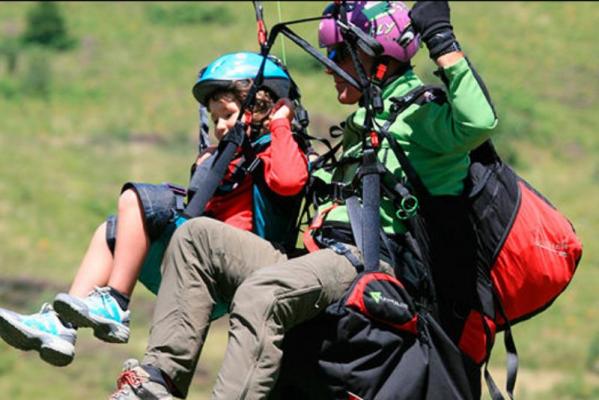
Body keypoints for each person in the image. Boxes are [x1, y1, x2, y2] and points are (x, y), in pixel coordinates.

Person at [109, 1, 497, 399]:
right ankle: (161, 379)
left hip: (369, 261)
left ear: (379, 53)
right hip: (322, 256)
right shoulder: (366, 122)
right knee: (196, 238)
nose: (329, 65)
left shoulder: (421, 116)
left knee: (263, 293)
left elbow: (478, 121)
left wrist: (441, 39)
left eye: (340, 52)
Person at [0, 51, 308, 368]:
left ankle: (116, 305)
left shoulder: (273, 145)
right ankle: (61, 328)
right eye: (214, 118)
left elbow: (290, 180)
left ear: (258, 109)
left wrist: (280, 125)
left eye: (227, 115)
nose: (219, 126)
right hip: (203, 261)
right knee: (113, 232)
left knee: (138, 199)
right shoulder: (225, 158)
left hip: (239, 264)